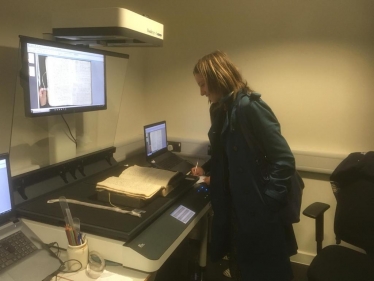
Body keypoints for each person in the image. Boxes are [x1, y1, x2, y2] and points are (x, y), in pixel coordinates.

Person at [191, 50, 297, 280]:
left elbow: (284, 159)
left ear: (216, 78)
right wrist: (207, 169)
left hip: (258, 210)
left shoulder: (250, 107)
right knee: (242, 266)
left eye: (203, 85)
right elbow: (225, 153)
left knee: (267, 271)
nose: (202, 92)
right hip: (236, 209)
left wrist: (268, 201)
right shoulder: (222, 109)